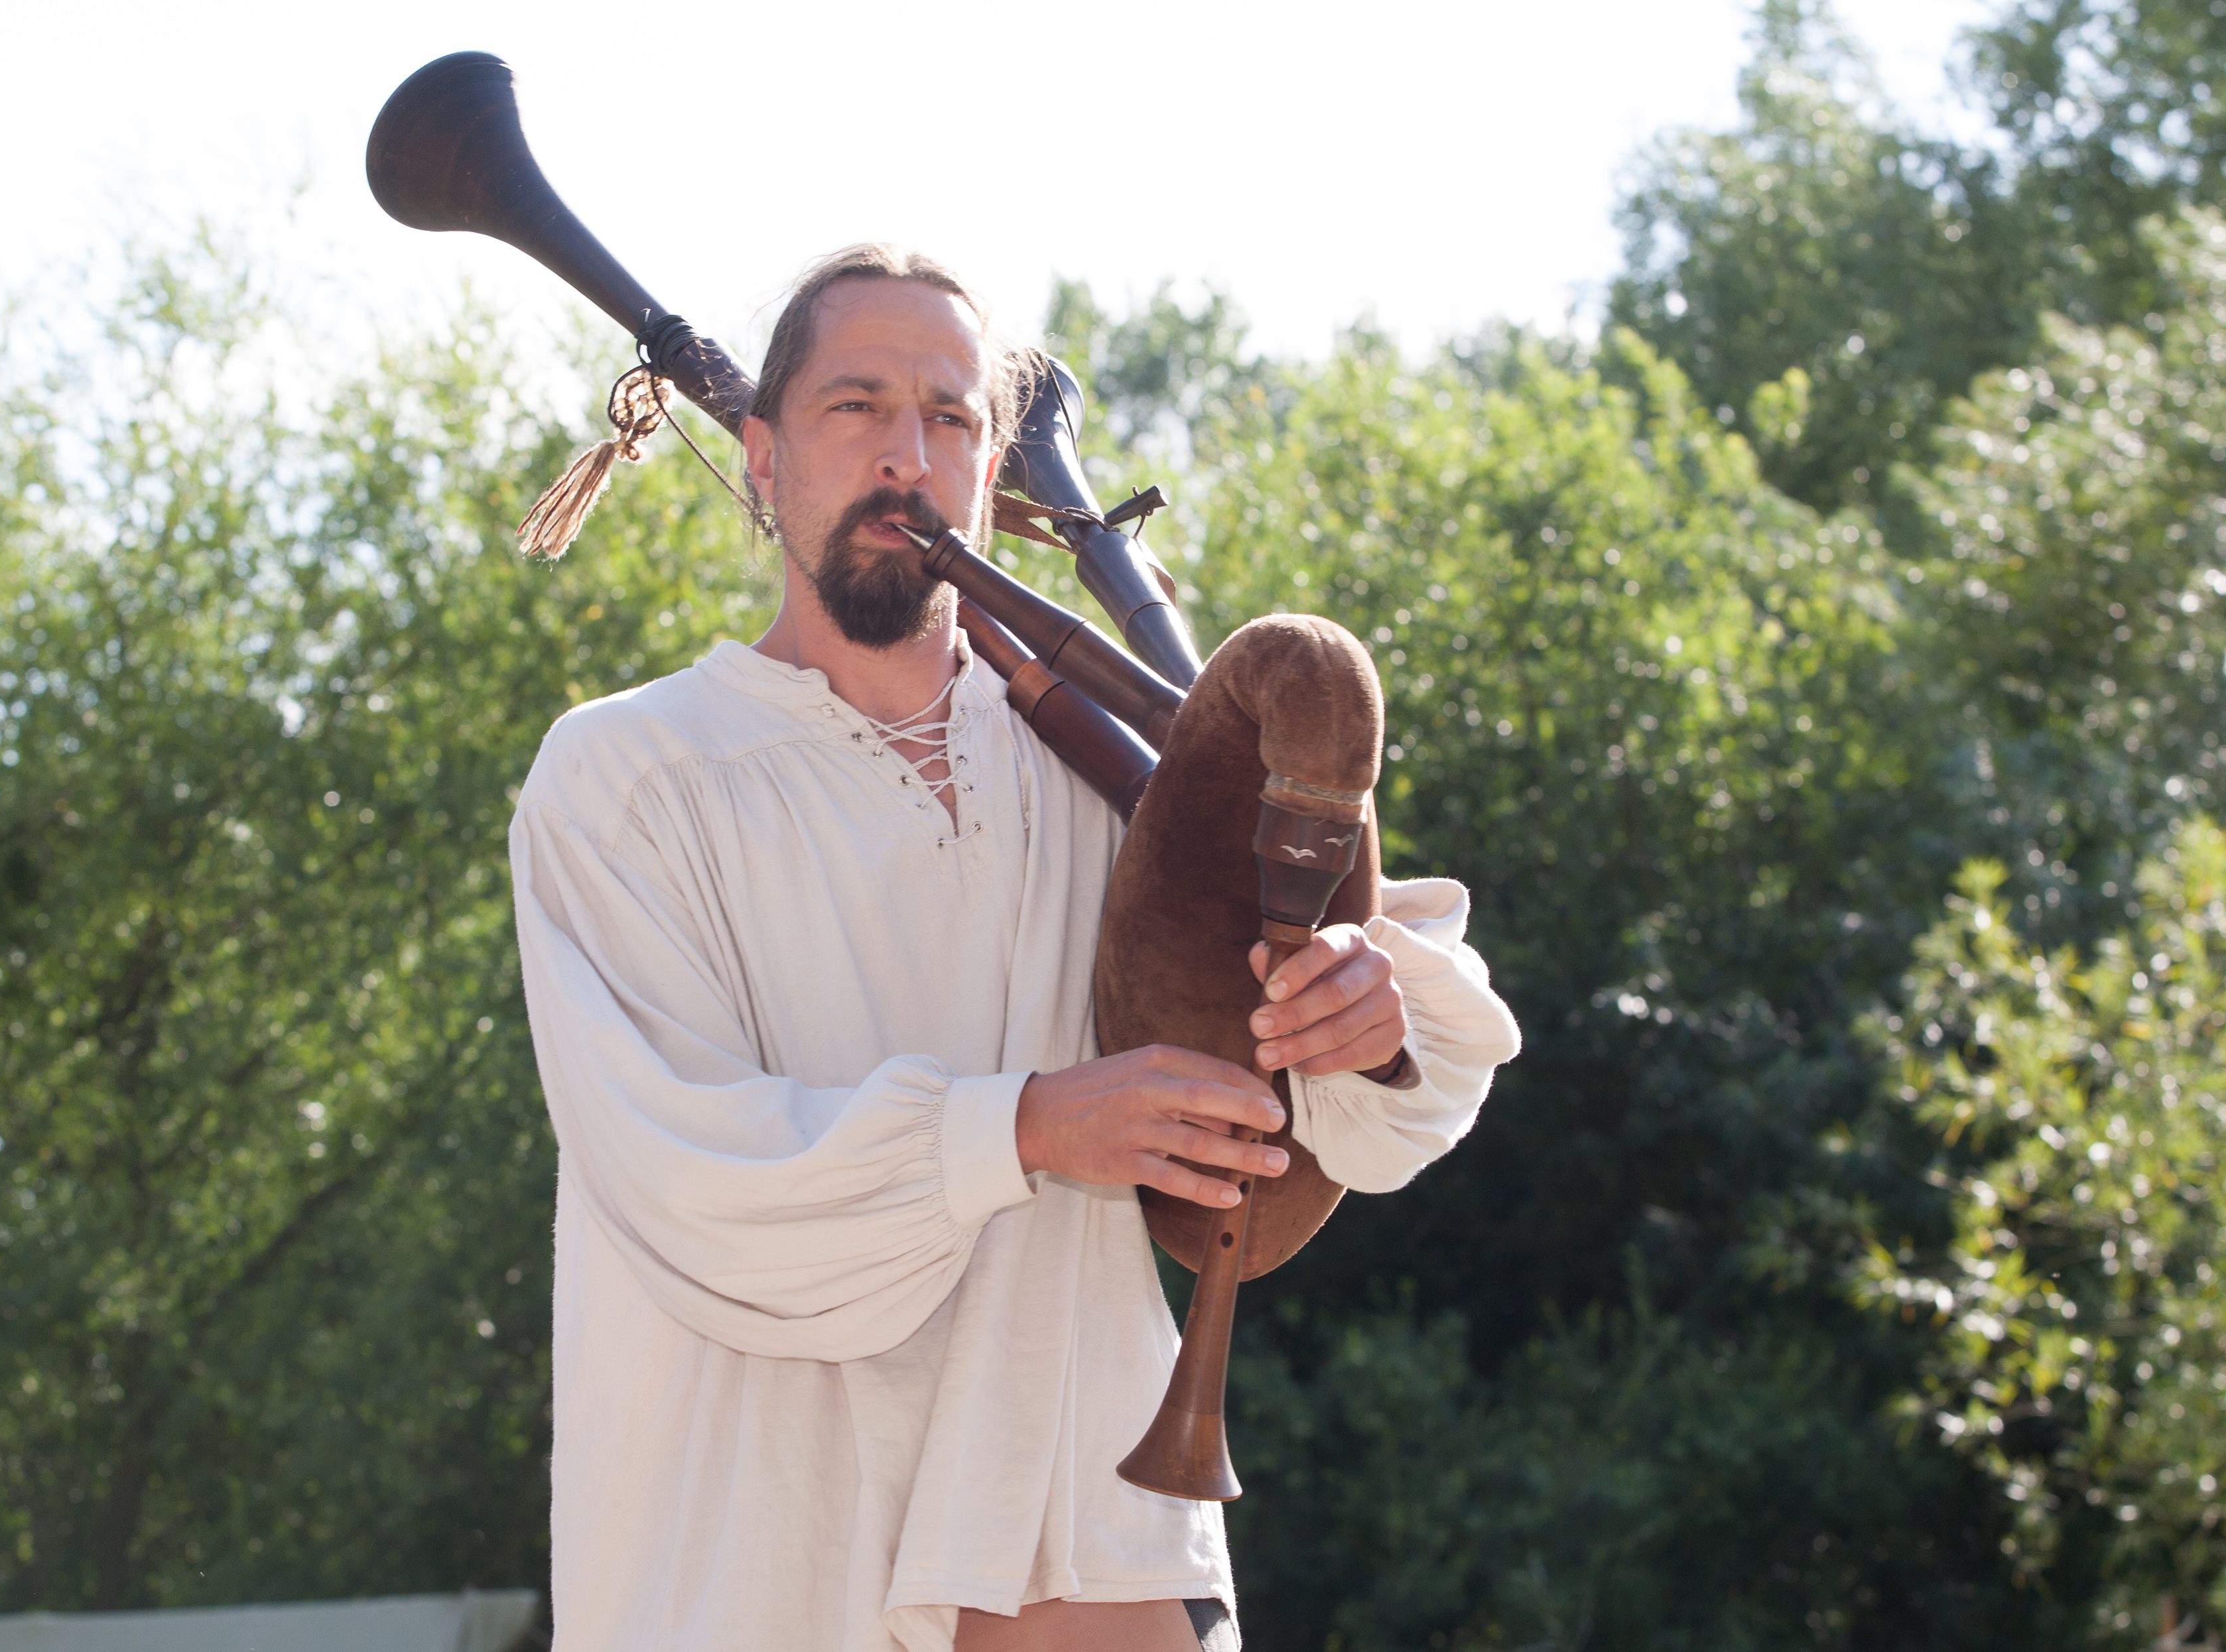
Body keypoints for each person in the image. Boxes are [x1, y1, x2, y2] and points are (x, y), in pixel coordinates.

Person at [510, 245, 1521, 1652]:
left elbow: (1384, 1095)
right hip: (768, 1566)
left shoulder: (1103, 773)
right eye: (855, 405)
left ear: (989, 475)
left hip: (1092, 1533)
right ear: (761, 459)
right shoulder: (628, 777)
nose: (905, 454)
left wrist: (1365, 1014)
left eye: (949, 416)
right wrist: (1031, 1128)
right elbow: (686, 1171)